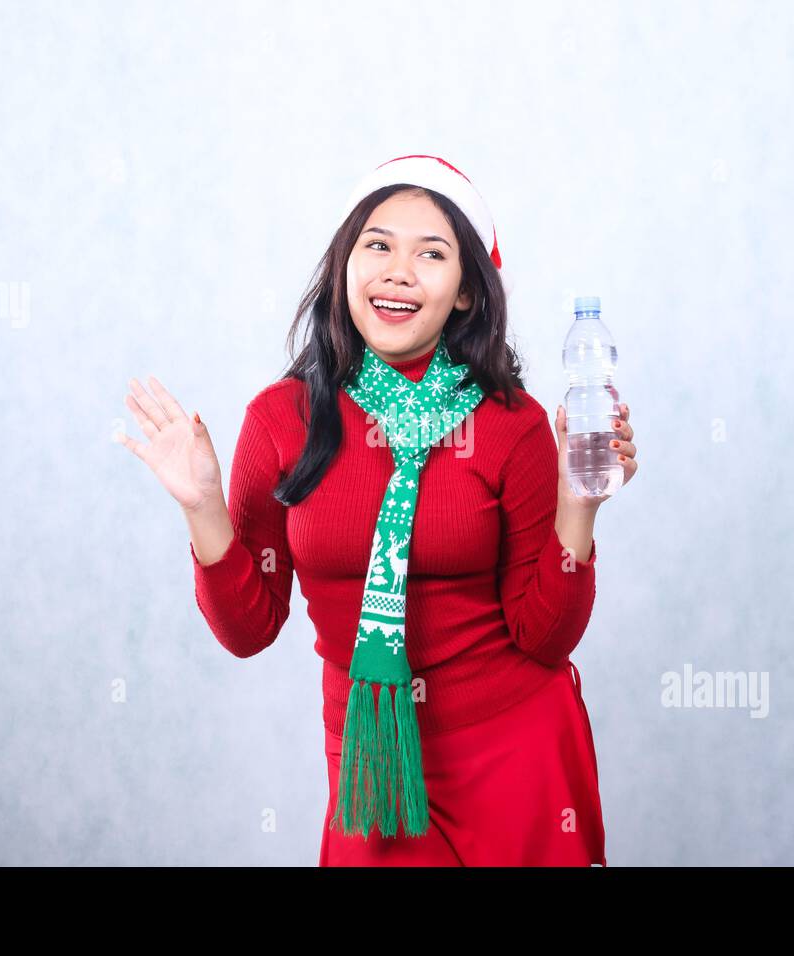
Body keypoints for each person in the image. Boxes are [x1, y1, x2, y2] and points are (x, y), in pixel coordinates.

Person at [118, 155, 638, 866]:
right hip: (374, 770)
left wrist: (579, 507)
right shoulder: (280, 421)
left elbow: (545, 637)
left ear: (463, 294)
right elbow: (249, 630)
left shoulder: (512, 424)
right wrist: (204, 508)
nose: (399, 271)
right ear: (345, 268)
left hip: (512, 754)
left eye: (432, 254)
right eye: (378, 245)